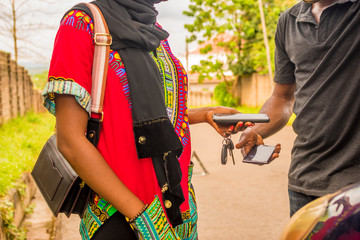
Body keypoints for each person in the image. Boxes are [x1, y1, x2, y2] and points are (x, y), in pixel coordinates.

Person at [42, 0, 255, 239]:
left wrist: (207, 114)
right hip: (120, 216)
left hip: (176, 207)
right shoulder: (82, 24)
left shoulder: (153, 30)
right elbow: (70, 140)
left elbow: (151, 111)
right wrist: (143, 219)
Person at [236, 0, 360, 217]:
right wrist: (254, 129)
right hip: (304, 179)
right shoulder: (288, 21)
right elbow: (282, 98)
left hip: (354, 183)